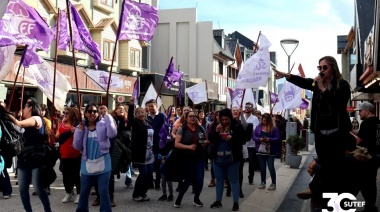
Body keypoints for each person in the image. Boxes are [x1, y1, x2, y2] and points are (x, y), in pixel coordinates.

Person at [274, 56, 352, 207]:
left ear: (333, 69)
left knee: (332, 165)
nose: (321, 71)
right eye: (319, 68)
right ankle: (321, 195)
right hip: (321, 132)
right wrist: (286, 75)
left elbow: (337, 103)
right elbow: (303, 81)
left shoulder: (342, 85)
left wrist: (323, 88)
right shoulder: (316, 84)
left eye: (325, 68)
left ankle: (318, 191)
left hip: (337, 133)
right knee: (325, 163)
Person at [8, 99, 52, 212]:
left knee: (38, 188)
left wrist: (6, 114)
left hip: (36, 158)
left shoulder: (36, 119)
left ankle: (48, 210)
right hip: (24, 158)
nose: (23, 109)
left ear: (30, 108)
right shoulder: (25, 122)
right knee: (22, 189)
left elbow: (18, 123)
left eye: (24, 107)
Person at [73, 103, 117, 212]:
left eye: (95, 111)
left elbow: (112, 134)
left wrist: (107, 116)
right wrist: (79, 131)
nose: (92, 113)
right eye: (90, 111)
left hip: (103, 163)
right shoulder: (81, 127)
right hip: (86, 164)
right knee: (84, 192)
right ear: (86, 113)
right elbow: (76, 146)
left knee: (103, 191)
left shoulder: (103, 123)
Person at [209, 108, 245, 211]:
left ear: (230, 118)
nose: (224, 121)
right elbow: (211, 139)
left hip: (232, 159)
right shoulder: (215, 125)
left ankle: (235, 203)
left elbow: (242, 140)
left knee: (234, 181)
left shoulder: (237, 126)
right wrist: (216, 132)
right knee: (219, 180)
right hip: (218, 159)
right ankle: (218, 201)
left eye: (226, 119)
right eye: (222, 119)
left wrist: (232, 138)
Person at [173, 111, 208, 208]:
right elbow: (176, 144)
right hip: (186, 158)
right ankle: (179, 199)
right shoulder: (182, 129)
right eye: (190, 116)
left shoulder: (200, 128)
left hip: (199, 158)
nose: (193, 118)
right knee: (188, 180)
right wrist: (188, 147)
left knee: (200, 180)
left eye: (194, 116)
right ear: (186, 118)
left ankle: (196, 199)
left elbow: (206, 139)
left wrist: (205, 142)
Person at [352, 102, 380, 212]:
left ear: (367, 111)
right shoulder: (378, 122)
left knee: (362, 181)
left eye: (360, 111)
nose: (359, 113)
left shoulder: (366, 123)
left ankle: (369, 207)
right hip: (377, 157)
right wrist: (350, 130)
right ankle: (371, 206)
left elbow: (359, 139)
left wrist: (348, 138)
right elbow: (362, 134)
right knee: (371, 181)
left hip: (367, 157)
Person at [52, 107, 81, 204]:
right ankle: (69, 192)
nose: (65, 114)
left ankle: (79, 194)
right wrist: (52, 135)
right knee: (66, 175)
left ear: (73, 114)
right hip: (64, 153)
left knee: (76, 175)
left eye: (67, 113)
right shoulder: (62, 124)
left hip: (76, 153)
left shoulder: (77, 125)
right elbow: (57, 137)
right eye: (64, 112)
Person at [129, 98, 155, 202]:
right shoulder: (135, 123)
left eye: (141, 112)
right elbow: (130, 118)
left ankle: (143, 192)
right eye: (138, 113)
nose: (140, 114)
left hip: (150, 153)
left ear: (145, 113)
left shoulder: (148, 123)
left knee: (149, 174)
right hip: (141, 153)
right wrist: (131, 105)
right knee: (143, 173)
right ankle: (136, 194)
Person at [252, 113, 280, 190]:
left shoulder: (273, 128)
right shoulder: (258, 127)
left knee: (271, 167)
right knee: (262, 167)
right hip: (260, 149)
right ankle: (263, 182)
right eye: (263, 120)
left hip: (271, 150)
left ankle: (273, 183)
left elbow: (277, 138)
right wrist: (259, 139)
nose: (264, 122)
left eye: (266, 121)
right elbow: (254, 136)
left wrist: (269, 139)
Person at [146, 99, 166, 190]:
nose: (150, 108)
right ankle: (150, 183)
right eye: (149, 106)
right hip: (149, 144)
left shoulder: (162, 116)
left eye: (152, 106)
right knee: (150, 164)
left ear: (156, 107)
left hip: (159, 143)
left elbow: (166, 129)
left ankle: (158, 183)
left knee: (158, 164)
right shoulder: (146, 117)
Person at [242, 102, 260, 184]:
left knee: (251, 162)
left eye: (249, 107)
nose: (247, 108)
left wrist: (248, 129)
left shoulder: (254, 119)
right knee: (241, 161)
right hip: (243, 143)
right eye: (246, 106)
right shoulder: (241, 117)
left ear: (252, 108)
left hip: (251, 143)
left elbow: (255, 129)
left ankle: (251, 177)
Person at [0, 105, 13, 199]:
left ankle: (6, 191)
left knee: (2, 170)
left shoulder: (2, 121)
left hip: (2, 149)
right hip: (4, 149)